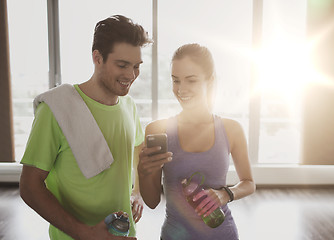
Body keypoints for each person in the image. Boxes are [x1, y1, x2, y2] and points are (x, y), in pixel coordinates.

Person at [19, 15, 152, 240]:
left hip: (124, 234)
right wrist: (84, 233)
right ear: (97, 58)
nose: (131, 75)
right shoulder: (55, 110)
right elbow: (30, 186)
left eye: (136, 67)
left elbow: (138, 149)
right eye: (122, 65)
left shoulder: (129, 106)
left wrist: (137, 192)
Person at [137, 43, 256, 240]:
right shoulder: (157, 130)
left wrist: (226, 194)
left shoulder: (231, 129)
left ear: (209, 81)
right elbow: (151, 202)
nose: (181, 89)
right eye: (176, 81)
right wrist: (143, 171)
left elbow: (249, 183)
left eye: (190, 80)